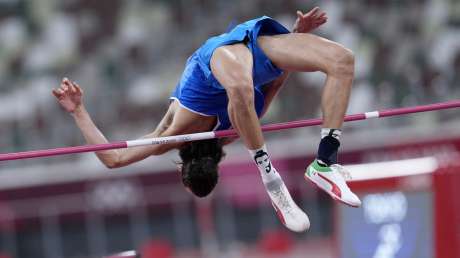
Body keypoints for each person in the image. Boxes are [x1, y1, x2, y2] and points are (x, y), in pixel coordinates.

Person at [52, 7, 360, 233]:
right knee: (338, 62)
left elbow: (114, 159)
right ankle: (306, 167)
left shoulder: (174, 136)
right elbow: (274, 79)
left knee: (340, 61)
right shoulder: (236, 128)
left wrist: (79, 111)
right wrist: (296, 42)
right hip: (242, 56)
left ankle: (313, 167)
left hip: (228, 56)